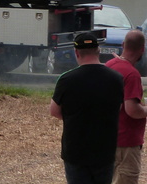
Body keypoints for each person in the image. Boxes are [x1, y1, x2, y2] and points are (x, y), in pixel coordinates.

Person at [50, 32, 124, 184]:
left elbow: (54, 111)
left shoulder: (66, 80)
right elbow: (119, 107)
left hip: (75, 151)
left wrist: (75, 116)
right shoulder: (116, 79)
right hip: (105, 150)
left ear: (76, 53)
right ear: (98, 51)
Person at [106, 30, 147, 184]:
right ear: (142, 49)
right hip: (126, 144)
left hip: (109, 140)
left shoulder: (110, 65)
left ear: (123, 45)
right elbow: (132, 110)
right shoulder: (132, 74)